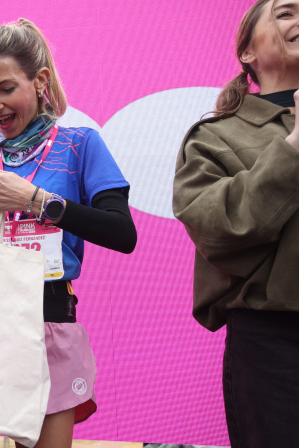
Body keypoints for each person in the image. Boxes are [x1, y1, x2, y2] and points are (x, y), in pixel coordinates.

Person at [0, 18, 137, 448]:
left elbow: (123, 233)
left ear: (40, 80)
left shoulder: (81, 145)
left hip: (49, 318)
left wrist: (38, 201)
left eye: (6, 89)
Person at [172, 1, 299, 446]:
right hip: (277, 347)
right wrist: (295, 147)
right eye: (286, 12)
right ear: (247, 51)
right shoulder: (217, 136)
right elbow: (218, 227)